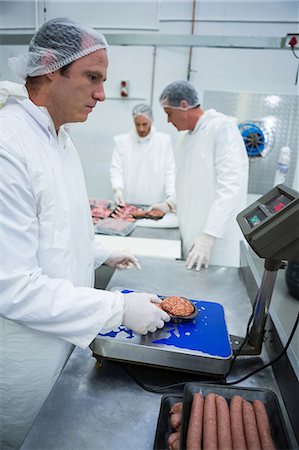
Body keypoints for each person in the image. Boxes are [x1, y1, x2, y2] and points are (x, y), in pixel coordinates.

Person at [0, 18, 170, 449]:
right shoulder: (8, 145)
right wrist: (117, 308)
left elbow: (58, 228)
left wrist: (100, 251)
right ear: (50, 68)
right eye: (92, 77)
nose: (101, 93)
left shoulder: (59, 139)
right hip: (24, 360)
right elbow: (11, 286)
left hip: (64, 338)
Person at [151, 80, 249, 271]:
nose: (169, 121)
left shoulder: (222, 129)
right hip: (192, 232)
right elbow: (188, 182)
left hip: (216, 239)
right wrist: (169, 204)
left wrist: (209, 235)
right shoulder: (185, 137)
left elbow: (231, 188)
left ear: (184, 106)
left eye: (169, 114)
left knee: (216, 288)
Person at [110, 103, 176, 206]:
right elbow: (116, 169)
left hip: (155, 203)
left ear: (151, 120)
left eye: (144, 124)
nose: (141, 129)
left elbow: (170, 171)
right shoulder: (122, 142)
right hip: (127, 202)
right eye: (137, 124)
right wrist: (117, 189)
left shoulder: (163, 142)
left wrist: (171, 197)